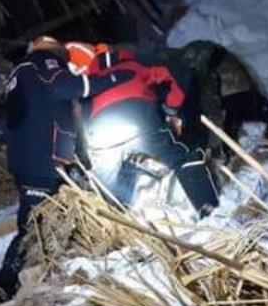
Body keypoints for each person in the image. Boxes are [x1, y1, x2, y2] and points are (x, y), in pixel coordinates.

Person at [0, 36, 134, 299]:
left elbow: (48, 110)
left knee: (49, 215)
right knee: (30, 223)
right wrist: (110, 80)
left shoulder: (21, 73)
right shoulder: (41, 61)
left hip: (30, 158)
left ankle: (50, 268)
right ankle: (4, 283)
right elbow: (64, 87)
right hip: (40, 161)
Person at [79, 45, 220, 216]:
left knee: (107, 180)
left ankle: (117, 220)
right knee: (179, 157)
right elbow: (176, 74)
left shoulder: (87, 80)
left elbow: (80, 114)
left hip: (101, 130)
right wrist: (172, 109)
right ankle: (208, 208)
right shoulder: (136, 64)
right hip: (138, 118)